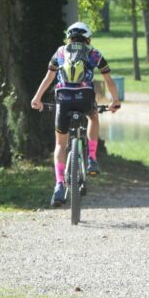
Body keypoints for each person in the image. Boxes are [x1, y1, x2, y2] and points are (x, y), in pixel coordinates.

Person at [31, 21, 121, 207]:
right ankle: (92, 159)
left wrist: (37, 98)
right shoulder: (94, 53)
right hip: (85, 98)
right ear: (88, 38)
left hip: (62, 99)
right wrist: (115, 101)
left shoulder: (60, 52)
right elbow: (108, 80)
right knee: (93, 117)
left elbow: (49, 77)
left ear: (69, 37)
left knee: (60, 144)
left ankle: (58, 185)